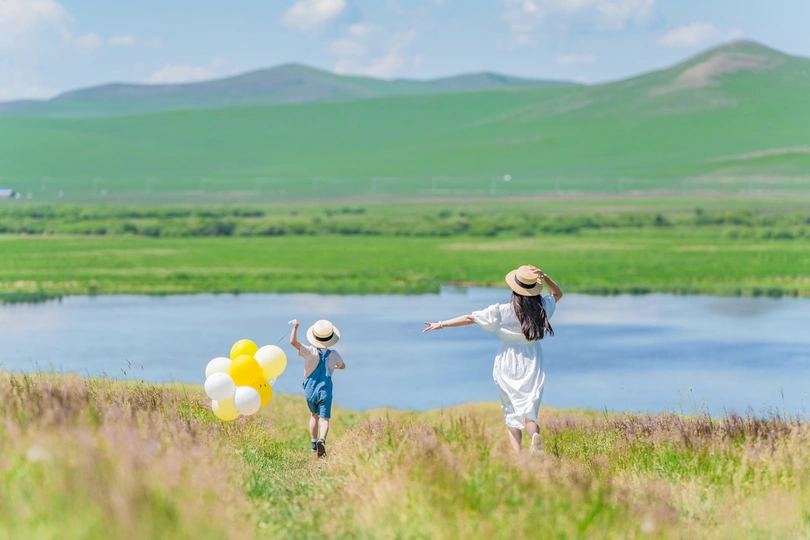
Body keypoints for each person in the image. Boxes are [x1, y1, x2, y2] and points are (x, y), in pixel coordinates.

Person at [423, 265, 562, 456]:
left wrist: (440, 324)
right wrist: (545, 277)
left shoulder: (502, 311)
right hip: (533, 361)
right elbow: (557, 294)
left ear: (515, 289)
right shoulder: (543, 307)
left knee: (510, 410)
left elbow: (470, 318)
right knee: (528, 409)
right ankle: (534, 435)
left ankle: (518, 458)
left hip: (507, 362)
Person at [289, 318, 346, 457]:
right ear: (330, 338)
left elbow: (293, 342)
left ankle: (314, 443)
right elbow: (343, 366)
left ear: (314, 336)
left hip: (310, 390)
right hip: (325, 391)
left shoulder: (309, 351)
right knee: (324, 419)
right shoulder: (334, 355)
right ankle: (322, 439)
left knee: (313, 415)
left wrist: (295, 327)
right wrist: (337, 366)